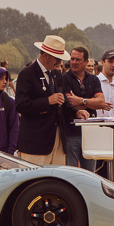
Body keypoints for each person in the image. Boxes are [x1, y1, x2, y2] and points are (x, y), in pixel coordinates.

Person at [15, 35, 74, 165]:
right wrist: (47, 101)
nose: (59, 62)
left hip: (58, 141)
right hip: (35, 142)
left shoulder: (57, 74)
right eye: (57, 58)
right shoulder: (27, 74)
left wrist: (76, 112)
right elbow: (21, 105)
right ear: (46, 55)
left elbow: (61, 101)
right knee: (35, 181)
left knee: (57, 181)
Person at [60, 46, 105, 169]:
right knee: (72, 173)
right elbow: (69, 102)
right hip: (71, 133)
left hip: (90, 133)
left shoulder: (94, 79)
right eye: (72, 59)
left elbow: (101, 102)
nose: (74, 62)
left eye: (78, 59)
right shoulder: (64, 79)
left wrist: (81, 101)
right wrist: (91, 102)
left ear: (86, 62)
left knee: (90, 173)